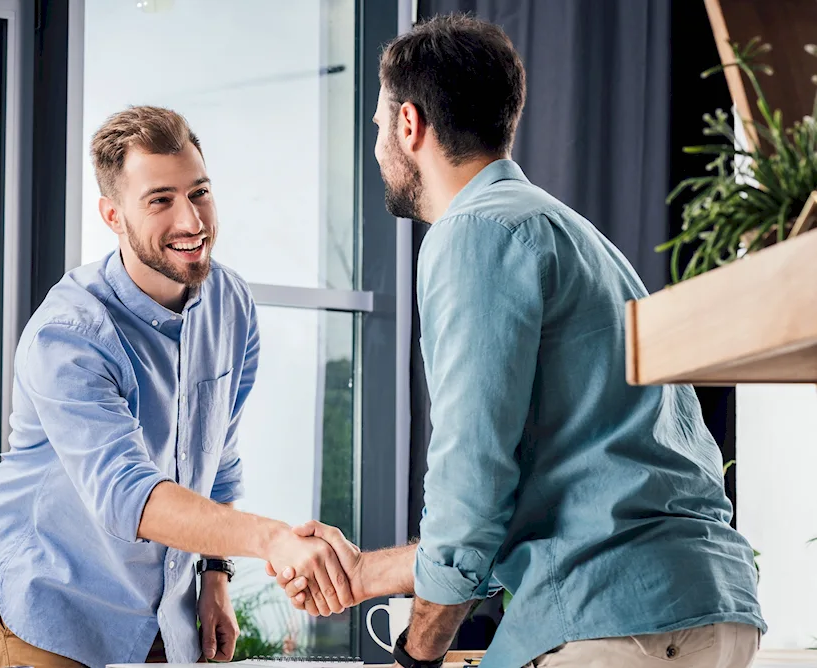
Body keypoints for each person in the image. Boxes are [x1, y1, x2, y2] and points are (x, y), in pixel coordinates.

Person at [272, 15, 765, 668]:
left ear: (409, 125)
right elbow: (556, 500)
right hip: (709, 609)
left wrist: (418, 654)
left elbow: (471, 487)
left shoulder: (473, 235)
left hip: (613, 622)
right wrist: (362, 573)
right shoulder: (574, 236)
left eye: (376, 127)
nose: (376, 148)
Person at [0, 106, 353, 668]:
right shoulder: (69, 335)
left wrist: (216, 577)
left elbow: (218, 457)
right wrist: (274, 540)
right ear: (112, 215)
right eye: (160, 200)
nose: (191, 220)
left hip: (160, 607)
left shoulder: (230, 303)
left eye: (199, 192)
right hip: (50, 598)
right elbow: (130, 494)